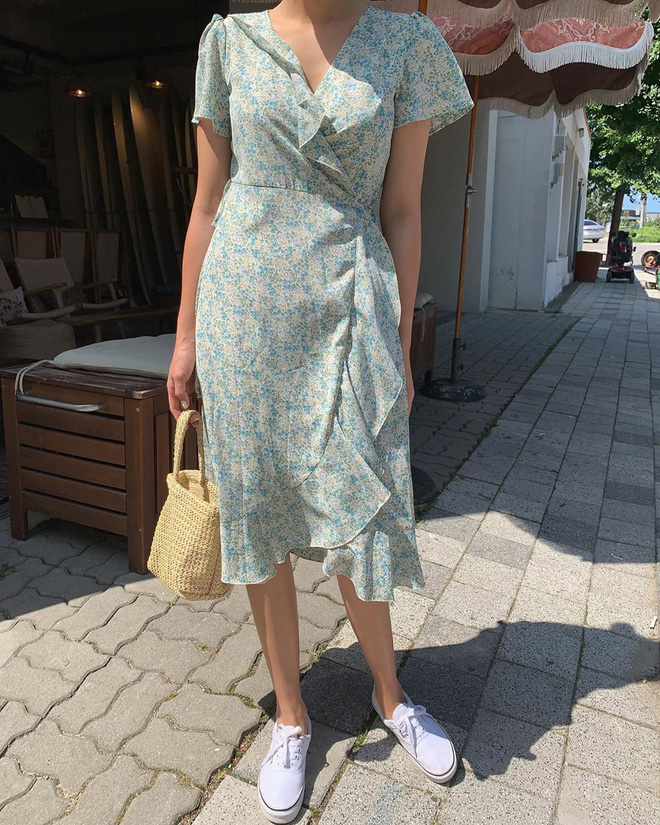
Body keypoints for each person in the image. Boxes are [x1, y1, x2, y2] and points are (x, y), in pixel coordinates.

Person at [167, 1, 473, 822]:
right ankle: (292, 716)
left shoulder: (406, 45)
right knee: (259, 509)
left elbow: (401, 209)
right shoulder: (228, 43)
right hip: (244, 311)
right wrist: (185, 336)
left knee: (362, 507)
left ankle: (389, 693)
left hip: (350, 303)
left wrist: (400, 338)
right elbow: (208, 202)